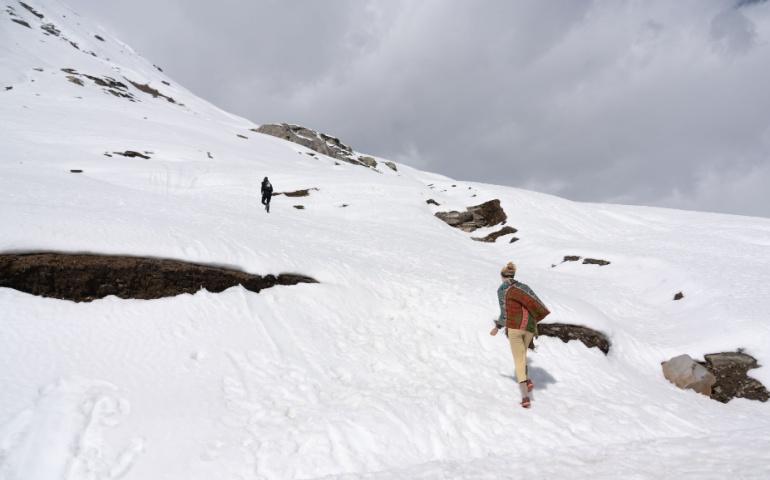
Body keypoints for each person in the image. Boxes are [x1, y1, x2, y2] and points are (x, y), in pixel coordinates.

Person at [490, 262, 550, 409]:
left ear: (502, 276)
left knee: (519, 360)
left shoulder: (502, 290)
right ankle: (528, 380)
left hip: (515, 328)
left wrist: (497, 327)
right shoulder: (524, 287)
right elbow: (535, 303)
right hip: (529, 328)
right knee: (522, 356)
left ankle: (525, 397)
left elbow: (505, 313)